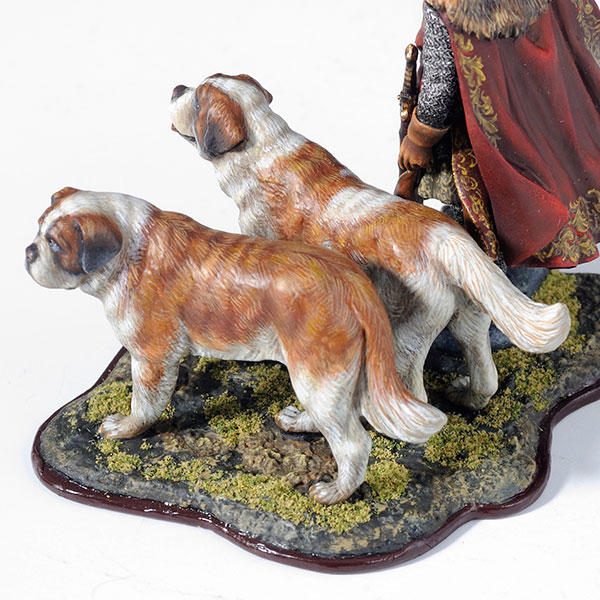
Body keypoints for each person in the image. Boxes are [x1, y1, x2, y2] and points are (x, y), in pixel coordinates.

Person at [397, 0, 600, 268]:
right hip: (544, 127)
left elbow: (440, 84)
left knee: (481, 226)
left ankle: (491, 285)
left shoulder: (447, 5)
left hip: (480, 143)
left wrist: (419, 138)